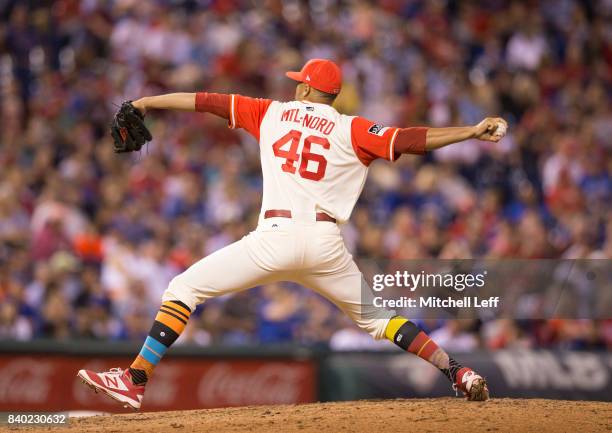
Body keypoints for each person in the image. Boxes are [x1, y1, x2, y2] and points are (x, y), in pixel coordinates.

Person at [78, 59, 506, 409]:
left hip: (276, 237)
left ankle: (135, 379)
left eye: (299, 82)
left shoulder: (272, 111)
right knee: (379, 320)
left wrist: (147, 100)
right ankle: (457, 371)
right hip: (326, 245)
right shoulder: (351, 128)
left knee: (184, 287)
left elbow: (203, 101)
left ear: (304, 90)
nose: (295, 87)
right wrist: (470, 131)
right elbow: (412, 139)